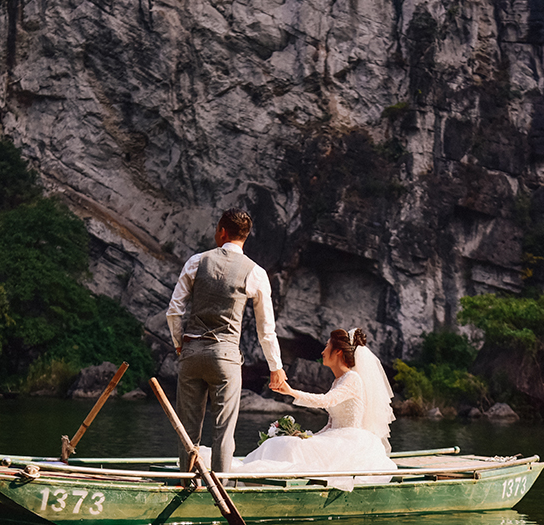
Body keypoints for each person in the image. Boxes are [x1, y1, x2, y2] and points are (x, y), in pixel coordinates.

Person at [167, 208, 287, 474]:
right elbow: (265, 329)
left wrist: (180, 344)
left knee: (187, 428)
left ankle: (187, 481)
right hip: (225, 357)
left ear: (221, 231)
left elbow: (174, 311)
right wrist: (275, 367)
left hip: (191, 352)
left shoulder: (197, 262)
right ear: (245, 237)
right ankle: (220, 487)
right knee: (223, 429)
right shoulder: (255, 272)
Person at [223, 328, 397, 490]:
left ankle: (260, 481)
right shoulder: (338, 380)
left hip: (350, 442)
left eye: (327, 346)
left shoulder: (352, 379)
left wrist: (291, 392)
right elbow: (331, 423)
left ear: (338, 352)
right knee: (288, 443)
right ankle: (251, 477)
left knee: (287, 446)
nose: (322, 351)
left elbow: (325, 401)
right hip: (335, 438)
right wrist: (308, 437)